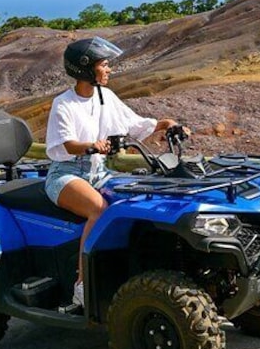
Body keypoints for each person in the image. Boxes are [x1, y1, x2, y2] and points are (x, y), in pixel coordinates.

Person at [44, 36, 181, 308]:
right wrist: (90, 146)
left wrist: (166, 124)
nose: (109, 70)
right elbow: (66, 144)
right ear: (85, 68)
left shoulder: (106, 96)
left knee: (135, 198)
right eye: (104, 65)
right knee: (99, 208)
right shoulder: (64, 103)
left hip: (99, 173)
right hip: (66, 174)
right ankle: (82, 286)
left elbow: (135, 125)